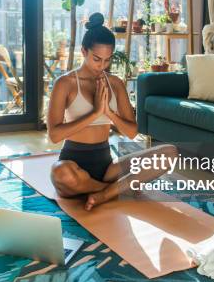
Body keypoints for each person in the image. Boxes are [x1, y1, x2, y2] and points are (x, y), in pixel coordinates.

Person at [47, 12, 178, 211]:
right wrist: (94, 113)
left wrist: (108, 113)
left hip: (106, 166)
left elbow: (132, 132)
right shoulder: (65, 83)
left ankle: (104, 194)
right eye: (96, 59)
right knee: (60, 173)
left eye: (107, 60)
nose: (102, 66)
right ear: (83, 51)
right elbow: (54, 135)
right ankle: (116, 190)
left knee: (169, 152)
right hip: (73, 165)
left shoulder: (115, 84)